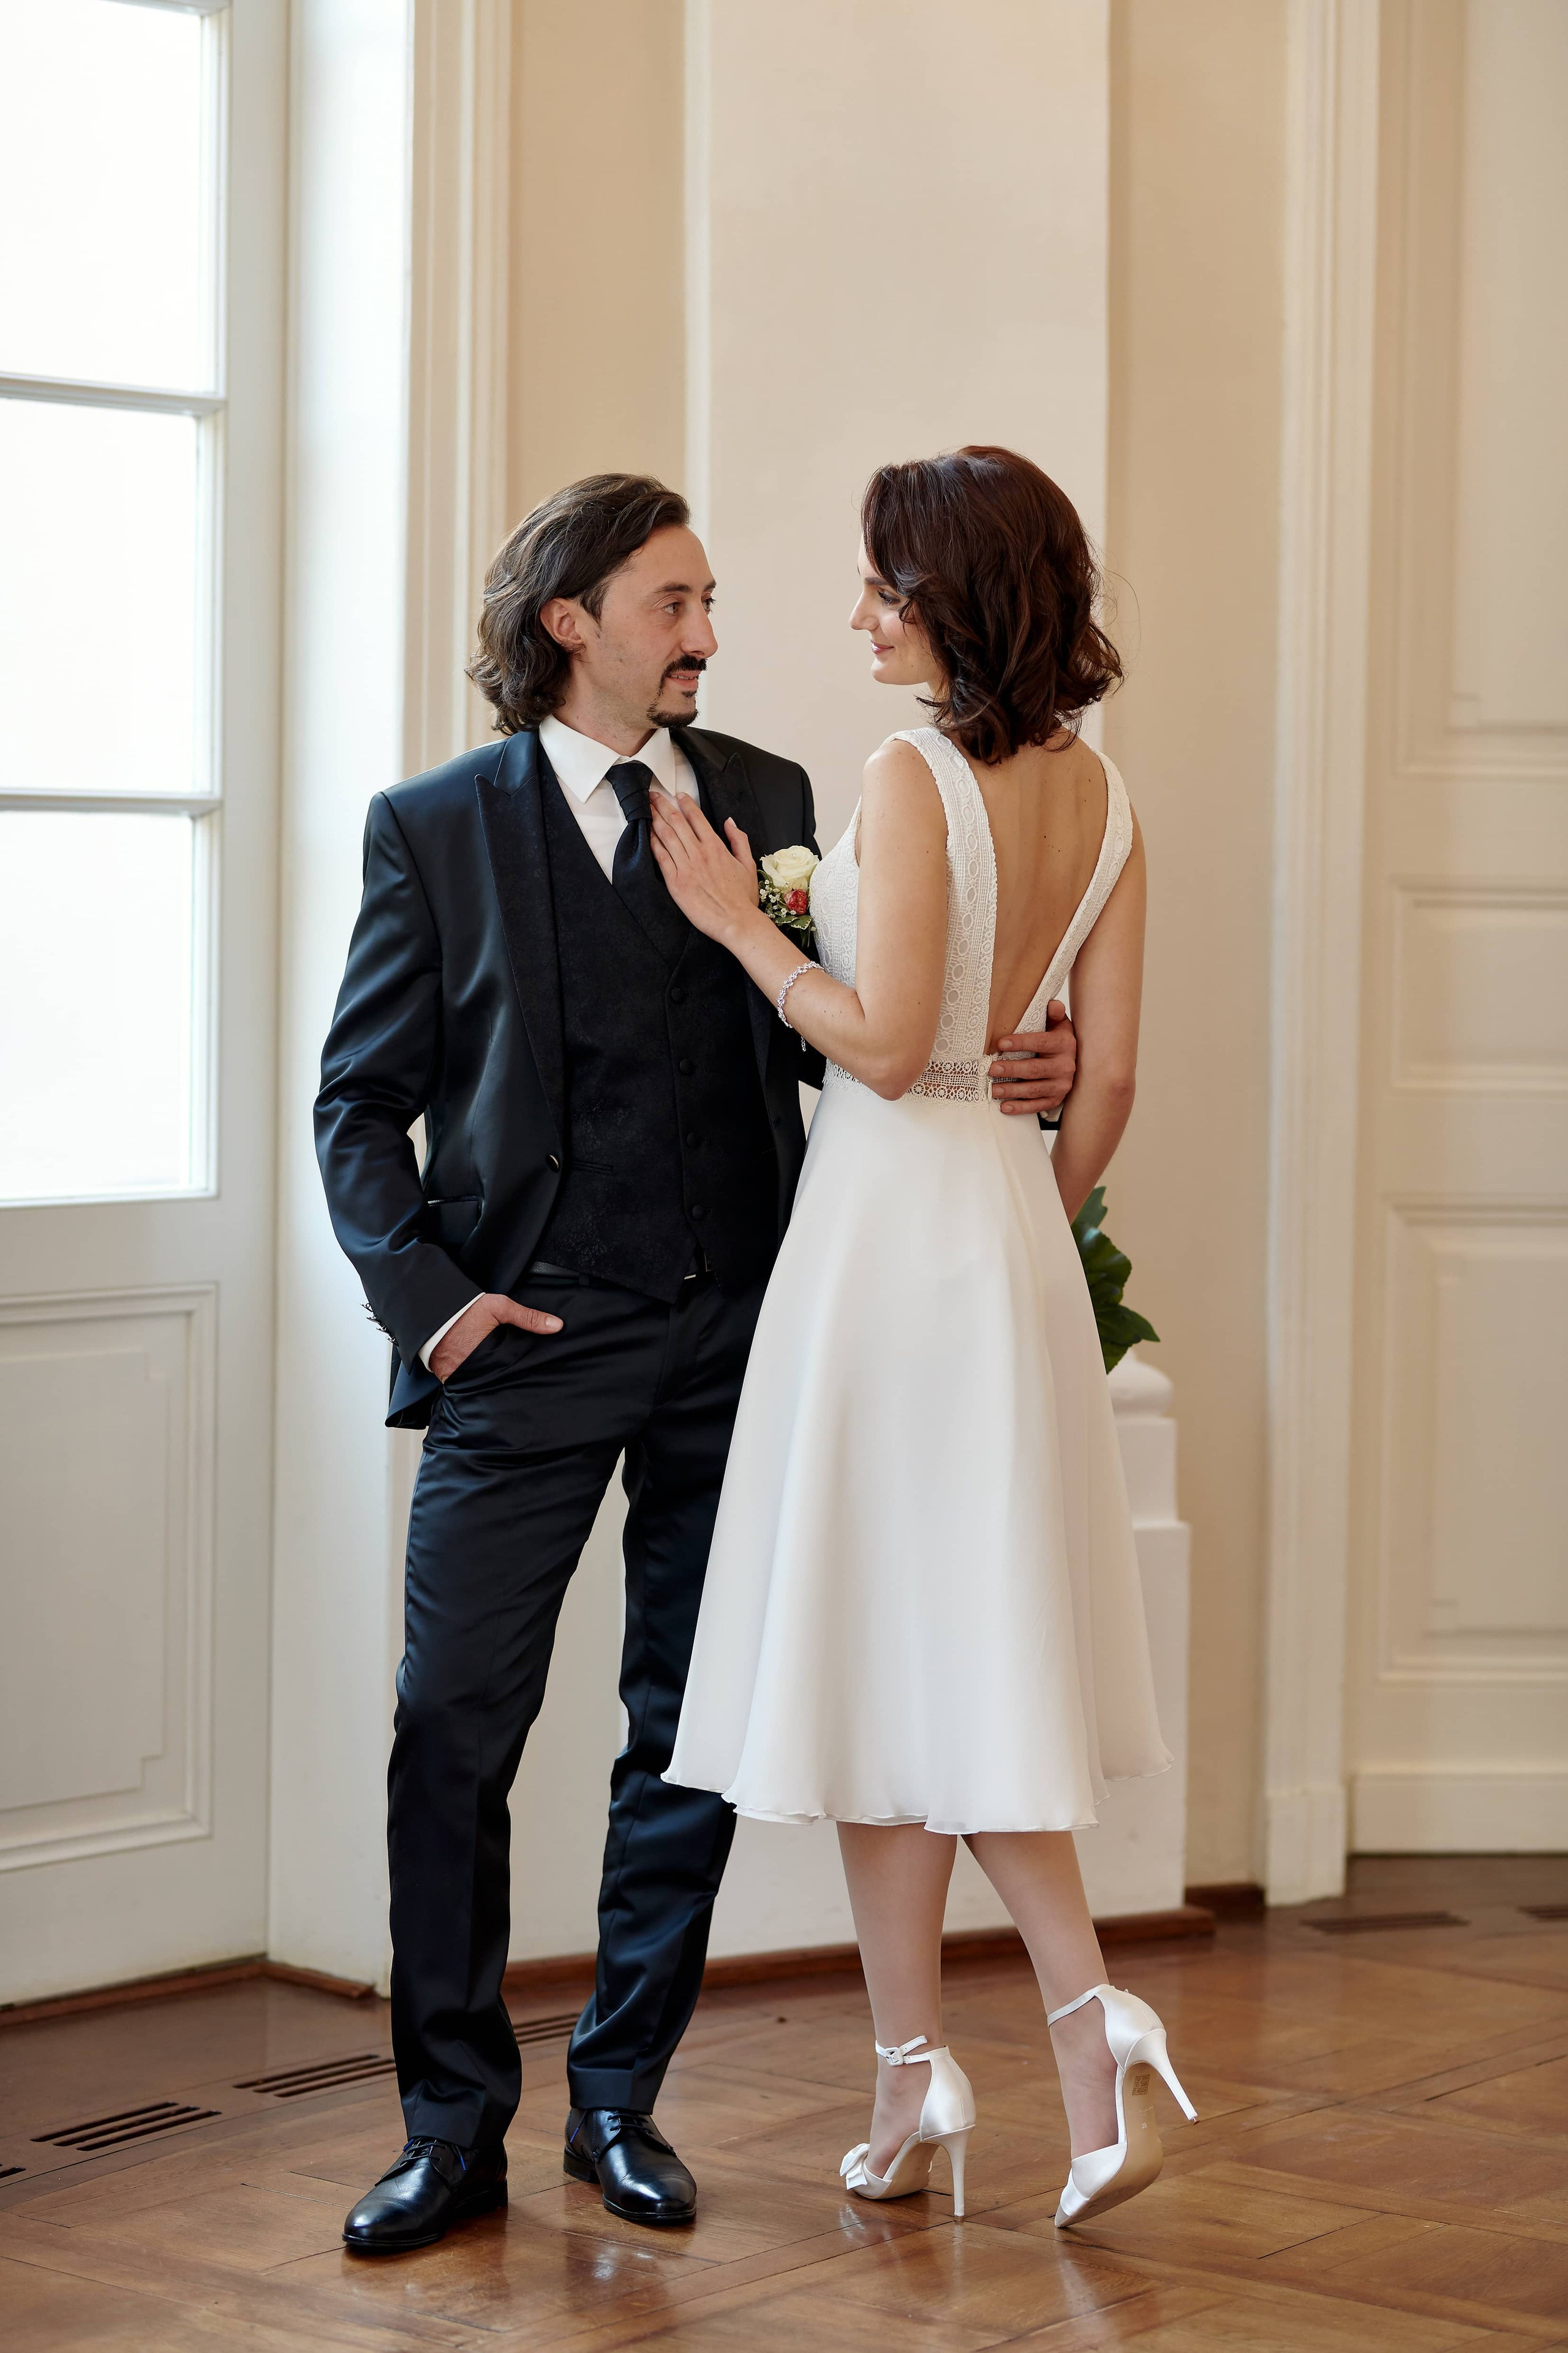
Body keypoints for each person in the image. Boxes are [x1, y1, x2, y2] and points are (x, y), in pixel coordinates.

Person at [314, 472, 1078, 2253]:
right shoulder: (432, 829)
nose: (711, 637)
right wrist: (436, 1296)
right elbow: (358, 1106)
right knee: (454, 1728)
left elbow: (861, 1041)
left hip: (741, 1332)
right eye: (677, 603)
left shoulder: (777, 803)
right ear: (571, 620)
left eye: (713, 600)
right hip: (526, 1340)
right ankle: (448, 2122)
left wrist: (1006, 1060)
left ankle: (618, 2103)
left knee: (689, 1731)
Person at [660, 445, 1194, 2230]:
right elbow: (1099, 1082)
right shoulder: (1106, 801)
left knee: (912, 1660)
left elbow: (882, 1050)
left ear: (954, 595)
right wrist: (1031, 1215)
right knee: (915, 1667)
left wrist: (746, 926)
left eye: (884, 581)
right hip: (1008, 1240)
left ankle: (1062, 2026)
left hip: (890, 1244)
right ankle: (915, 2082)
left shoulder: (903, 774)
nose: (859, 612)